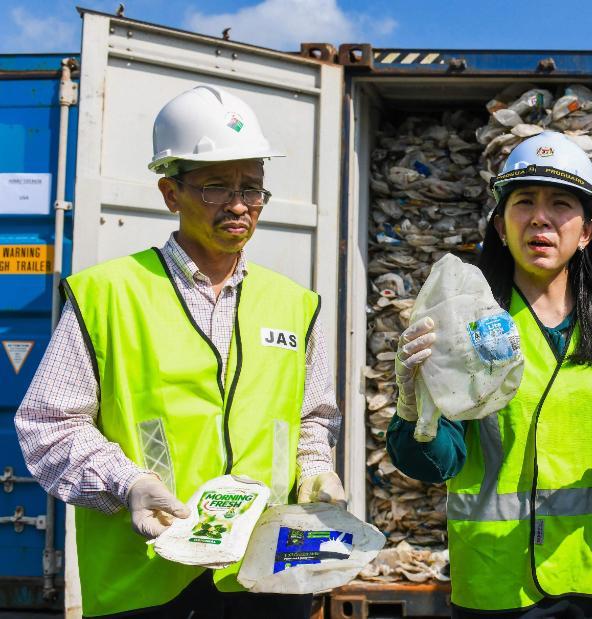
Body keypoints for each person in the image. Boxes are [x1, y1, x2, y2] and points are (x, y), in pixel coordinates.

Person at [15, 85, 345, 618]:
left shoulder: (294, 304)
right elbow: (50, 424)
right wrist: (130, 485)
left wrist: (316, 472)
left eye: (252, 189)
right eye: (216, 188)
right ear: (171, 193)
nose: (239, 205)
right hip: (149, 578)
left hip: (272, 573)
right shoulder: (109, 295)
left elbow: (311, 420)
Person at [386, 131, 592, 618]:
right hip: (496, 577)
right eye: (523, 202)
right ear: (501, 226)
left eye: (560, 204)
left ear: (586, 231)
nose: (540, 218)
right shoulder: (466, 326)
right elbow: (436, 465)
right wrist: (416, 416)